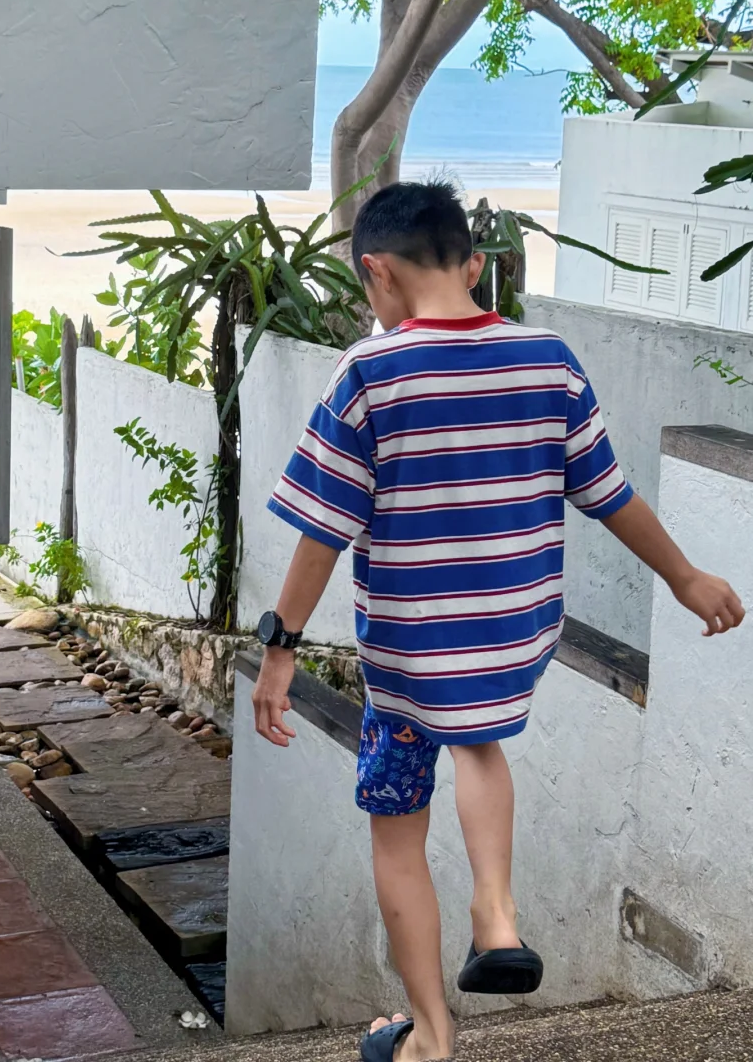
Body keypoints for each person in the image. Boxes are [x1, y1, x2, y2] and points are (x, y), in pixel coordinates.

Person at [251, 180, 745, 1062]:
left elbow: (323, 531)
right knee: (479, 743)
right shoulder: (549, 359)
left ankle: (431, 1037)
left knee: (397, 828)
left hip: (409, 652)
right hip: (513, 635)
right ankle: (498, 912)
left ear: (377, 272)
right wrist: (685, 577)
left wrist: (280, 650)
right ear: (474, 265)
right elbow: (608, 494)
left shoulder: (371, 372)